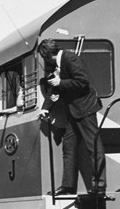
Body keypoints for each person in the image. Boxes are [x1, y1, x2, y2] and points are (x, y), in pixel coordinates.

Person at [37, 38, 106, 194]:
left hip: (85, 109)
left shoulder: (70, 58)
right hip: (74, 111)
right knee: (68, 147)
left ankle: (99, 186)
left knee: (94, 147)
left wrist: (61, 83)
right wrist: (45, 108)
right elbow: (53, 88)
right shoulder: (58, 65)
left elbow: (82, 82)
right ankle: (68, 186)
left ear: (47, 55)